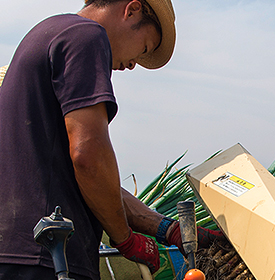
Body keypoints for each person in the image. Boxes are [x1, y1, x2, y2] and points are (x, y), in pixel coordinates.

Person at [0, 0, 225, 279]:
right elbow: (89, 159)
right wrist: (124, 238)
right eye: (143, 48)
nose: (133, 65)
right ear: (131, 9)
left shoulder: (48, 33)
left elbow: (88, 176)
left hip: (20, 252)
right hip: (47, 258)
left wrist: (165, 228)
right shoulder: (86, 35)